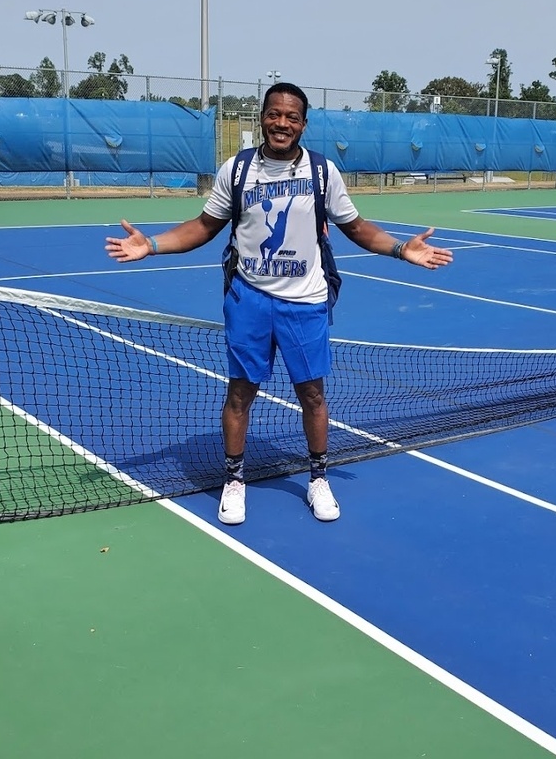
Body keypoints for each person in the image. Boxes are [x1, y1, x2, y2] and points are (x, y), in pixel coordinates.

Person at [106, 82, 452, 525]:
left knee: (312, 393)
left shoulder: (322, 173)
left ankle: (318, 478)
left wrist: (402, 249)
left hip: (306, 303)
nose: (282, 123)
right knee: (240, 393)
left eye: (291, 117)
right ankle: (233, 481)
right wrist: (150, 245)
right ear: (262, 118)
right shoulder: (238, 170)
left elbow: (357, 227)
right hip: (248, 299)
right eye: (274, 114)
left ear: (303, 124)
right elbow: (203, 226)